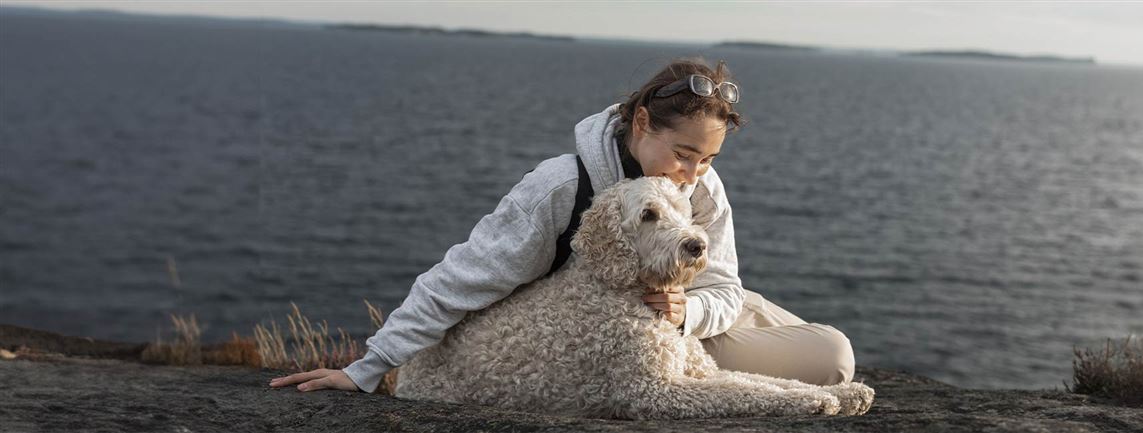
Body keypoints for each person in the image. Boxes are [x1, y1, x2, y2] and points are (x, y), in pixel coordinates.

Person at [269, 58, 856, 394]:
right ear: (641, 121)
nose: (693, 174)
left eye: (708, 159)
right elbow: (464, 275)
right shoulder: (562, 187)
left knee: (790, 327)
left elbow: (722, 285)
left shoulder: (701, 186)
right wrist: (368, 368)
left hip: (684, 315)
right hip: (629, 337)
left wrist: (690, 313)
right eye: (683, 153)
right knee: (831, 357)